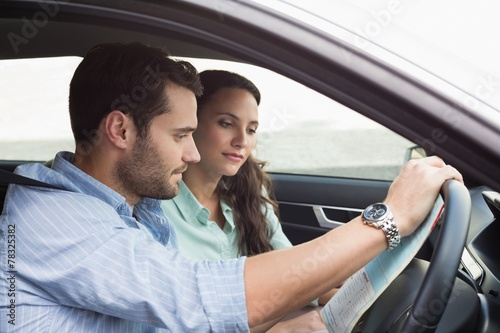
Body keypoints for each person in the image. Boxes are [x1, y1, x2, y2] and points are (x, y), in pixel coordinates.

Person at [0, 42, 463, 333]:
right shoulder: (51, 217)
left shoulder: (130, 206)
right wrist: (388, 218)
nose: (194, 153)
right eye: (181, 135)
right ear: (120, 131)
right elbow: (195, 297)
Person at [161, 69, 330, 332]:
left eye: (251, 130)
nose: (242, 141)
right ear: (191, 124)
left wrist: (331, 294)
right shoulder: (157, 210)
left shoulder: (251, 199)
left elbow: (292, 270)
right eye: (227, 124)